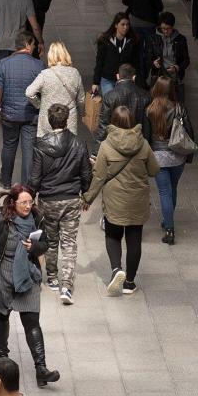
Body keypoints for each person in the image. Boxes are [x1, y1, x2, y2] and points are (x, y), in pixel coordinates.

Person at [82, 106, 160, 296]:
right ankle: (130, 282)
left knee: (113, 235)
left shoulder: (106, 146)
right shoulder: (144, 145)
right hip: (137, 200)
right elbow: (154, 170)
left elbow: (98, 176)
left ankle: (116, 270)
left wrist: (88, 198)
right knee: (134, 240)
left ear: (113, 123)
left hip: (114, 200)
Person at [0, 185, 60, 387]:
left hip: (27, 272)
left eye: (30, 202)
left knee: (32, 321)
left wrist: (34, 247)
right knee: (2, 315)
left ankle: (41, 368)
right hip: (4, 271)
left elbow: (45, 243)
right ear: (13, 202)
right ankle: (2, 359)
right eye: (24, 202)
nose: (28, 206)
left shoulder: (37, 218)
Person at [29, 104, 90, 305]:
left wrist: (30, 195)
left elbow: (35, 178)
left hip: (48, 199)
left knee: (51, 239)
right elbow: (86, 174)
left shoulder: (40, 146)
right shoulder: (79, 144)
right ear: (67, 120)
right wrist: (84, 191)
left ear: (49, 120)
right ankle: (67, 286)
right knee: (69, 242)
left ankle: (52, 277)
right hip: (71, 198)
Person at [0, 32, 43, 188]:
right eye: (32, 45)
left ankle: (5, 180)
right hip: (30, 116)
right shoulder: (38, 65)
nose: (33, 49)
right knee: (29, 151)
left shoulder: (3, 64)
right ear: (27, 45)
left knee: (9, 146)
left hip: (9, 116)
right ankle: (27, 186)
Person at [146, 75, 194, 245]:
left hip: (158, 156)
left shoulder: (150, 109)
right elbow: (189, 131)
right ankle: (168, 220)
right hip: (177, 155)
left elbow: (145, 135)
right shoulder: (179, 108)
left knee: (164, 192)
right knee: (172, 189)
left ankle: (169, 229)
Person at [25, 41, 83, 136]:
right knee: (68, 146)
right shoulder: (75, 73)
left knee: (47, 146)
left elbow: (29, 93)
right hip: (69, 118)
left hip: (48, 117)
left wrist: (39, 105)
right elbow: (81, 99)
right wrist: (81, 113)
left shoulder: (45, 74)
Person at [96, 63, 150, 142]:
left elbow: (104, 124)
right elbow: (147, 125)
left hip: (116, 142)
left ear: (118, 76)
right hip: (137, 142)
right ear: (134, 77)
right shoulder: (145, 96)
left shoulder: (109, 96)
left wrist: (96, 149)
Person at [146, 12, 190, 102]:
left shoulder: (180, 39)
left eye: (168, 29)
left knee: (175, 104)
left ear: (172, 27)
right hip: (159, 77)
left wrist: (177, 67)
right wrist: (153, 63)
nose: (165, 31)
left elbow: (186, 60)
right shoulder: (153, 38)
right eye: (163, 28)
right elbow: (147, 58)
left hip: (174, 78)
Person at [91, 13, 138, 97]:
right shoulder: (105, 41)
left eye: (127, 24)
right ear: (116, 25)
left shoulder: (132, 42)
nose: (125, 27)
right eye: (122, 24)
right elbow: (99, 62)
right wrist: (96, 82)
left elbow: (135, 61)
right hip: (107, 79)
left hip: (124, 80)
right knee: (110, 102)